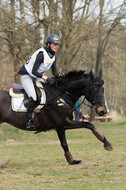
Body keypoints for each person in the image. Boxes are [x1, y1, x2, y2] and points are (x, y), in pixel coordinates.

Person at [18, 34, 61, 131]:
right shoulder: (41, 54)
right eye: (54, 44)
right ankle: (29, 121)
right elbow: (33, 71)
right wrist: (45, 78)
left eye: (57, 44)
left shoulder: (53, 56)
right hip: (27, 75)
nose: (56, 46)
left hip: (36, 76)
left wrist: (60, 76)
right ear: (49, 44)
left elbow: (55, 73)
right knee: (33, 97)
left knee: (47, 93)